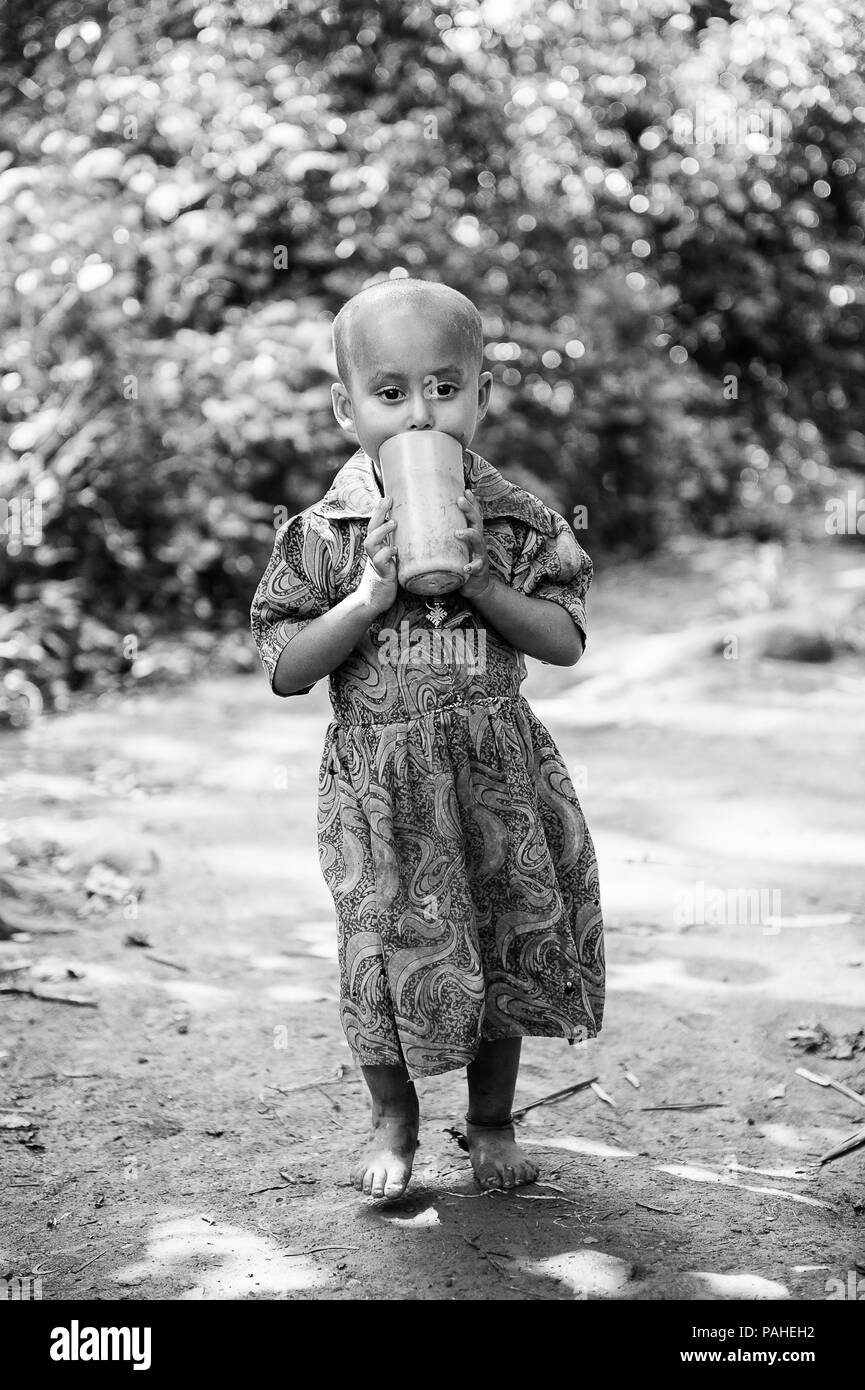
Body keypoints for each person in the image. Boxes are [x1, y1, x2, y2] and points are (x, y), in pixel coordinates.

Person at [250, 277, 605, 1201]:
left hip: (495, 773)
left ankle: (489, 1120)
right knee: (380, 947)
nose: (421, 412)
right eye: (391, 392)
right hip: (383, 790)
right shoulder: (322, 535)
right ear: (346, 407)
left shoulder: (521, 520)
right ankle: (393, 1115)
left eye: (445, 388)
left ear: (482, 396)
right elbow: (287, 666)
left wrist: (486, 584)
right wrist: (365, 600)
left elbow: (563, 641)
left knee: (503, 935)